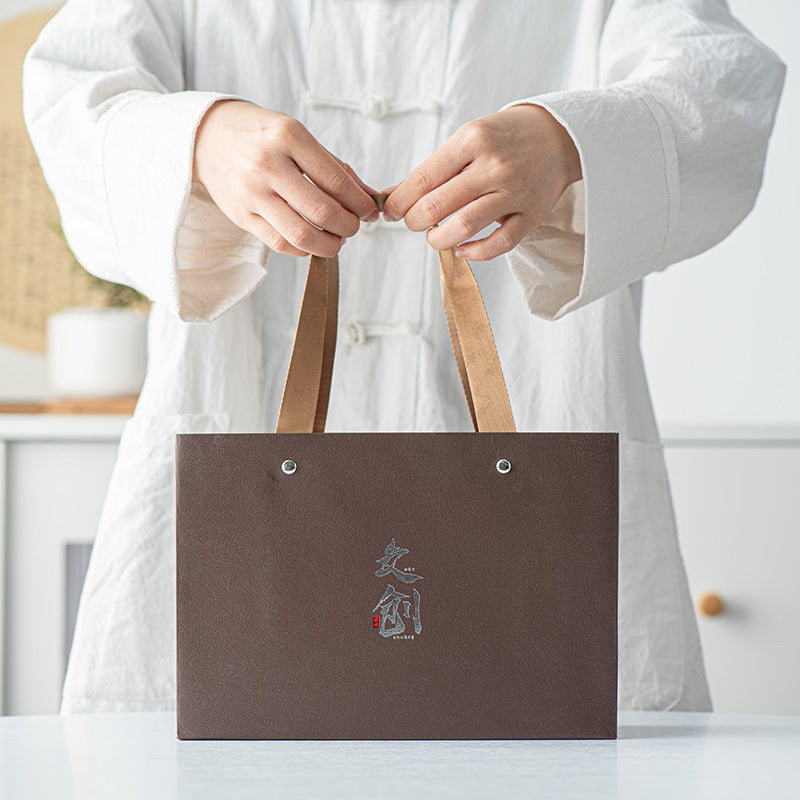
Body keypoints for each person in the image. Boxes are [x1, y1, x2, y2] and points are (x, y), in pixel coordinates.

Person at [23, 0, 784, 714]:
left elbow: (724, 86)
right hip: (233, 462)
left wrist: (569, 141)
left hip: (549, 454)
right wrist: (198, 141)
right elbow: (70, 92)